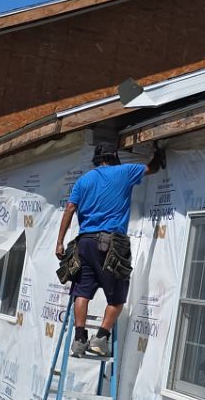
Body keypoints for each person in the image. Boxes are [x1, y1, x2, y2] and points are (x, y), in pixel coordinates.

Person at [56, 144, 165, 357]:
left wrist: (60, 242)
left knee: (82, 293)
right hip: (111, 243)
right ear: (115, 158)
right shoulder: (125, 171)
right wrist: (158, 153)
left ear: (97, 160)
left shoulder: (83, 180)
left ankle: (79, 339)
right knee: (117, 297)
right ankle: (101, 337)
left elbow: (69, 208)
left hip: (84, 243)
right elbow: (151, 168)